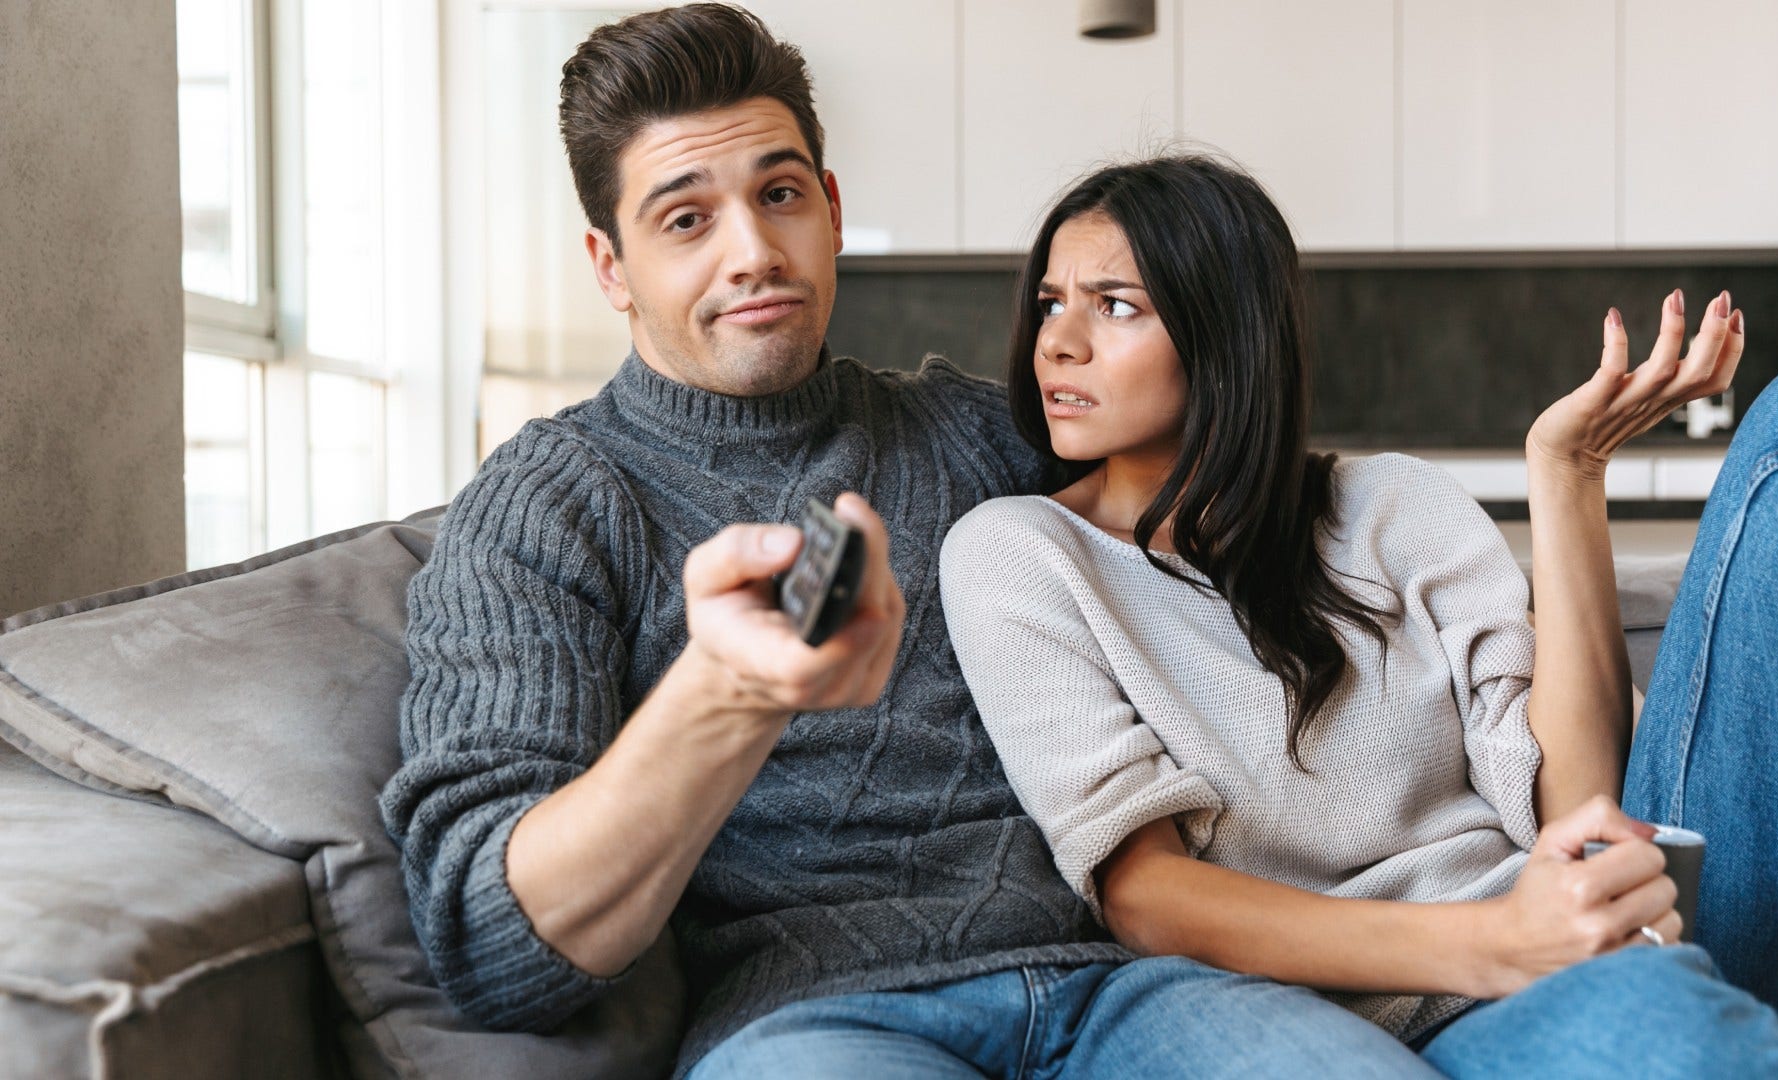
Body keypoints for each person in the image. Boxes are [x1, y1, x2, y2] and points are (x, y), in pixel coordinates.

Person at [382, 7, 1471, 1078]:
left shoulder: (982, 433)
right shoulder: (549, 506)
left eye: (780, 194)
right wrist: (731, 692)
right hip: (819, 1022)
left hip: (1131, 986)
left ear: (832, 208)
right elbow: (495, 950)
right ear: (610, 268)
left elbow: (1237, 508)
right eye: (684, 220)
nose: (754, 251)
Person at [940, 154, 1778, 1078]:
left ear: (1226, 332)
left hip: (1623, 915)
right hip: (1451, 1007)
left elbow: (1579, 811)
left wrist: (1567, 476)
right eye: (1050, 305)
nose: (1056, 344)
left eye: (1114, 306)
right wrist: (1503, 945)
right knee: (1668, 1035)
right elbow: (1145, 895)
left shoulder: (1393, 507)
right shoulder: (1021, 555)